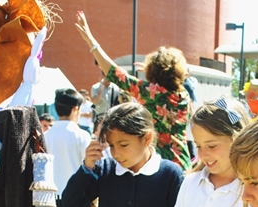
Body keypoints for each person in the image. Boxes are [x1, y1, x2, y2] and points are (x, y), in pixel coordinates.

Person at [76, 11, 192, 171]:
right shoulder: (184, 96)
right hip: (183, 162)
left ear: (152, 71)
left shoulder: (150, 93)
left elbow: (113, 73)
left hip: (160, 167)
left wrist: (91, 42)